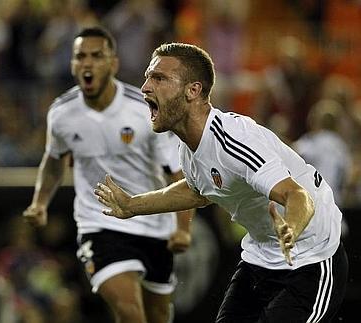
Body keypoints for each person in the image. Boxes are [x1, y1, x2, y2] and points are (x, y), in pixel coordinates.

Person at [94, 42, 348, 323]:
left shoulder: (234, 142)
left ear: (193, 90)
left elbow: (297, 196)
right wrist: (132, 205)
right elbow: (197, 191)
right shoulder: (190, 146)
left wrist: (291, 228)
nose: (145, 87)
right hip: (262, 255)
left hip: (310, 256)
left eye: (159, 78)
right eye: (147, 77)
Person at [23, 26, 194, 323]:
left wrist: (182, 227)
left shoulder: (144, 109)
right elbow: (53, 161)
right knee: (129, 311)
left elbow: (176, 172)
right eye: (80, 57)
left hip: (154, 224)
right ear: (73, 64)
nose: (87, 63)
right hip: (99, 223)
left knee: (158, 315)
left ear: (113, 63)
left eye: (96, 56)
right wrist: (39, 202)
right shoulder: (61, 113)